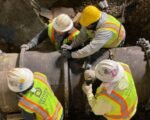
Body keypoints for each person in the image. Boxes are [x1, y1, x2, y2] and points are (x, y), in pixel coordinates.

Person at [61, 5, 126, 61]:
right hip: (102, 35)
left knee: (98, 58)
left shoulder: (105, 31)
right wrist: (72, 46)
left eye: (87, 25)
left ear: (94, 23)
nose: (85, 27)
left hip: (115, 40)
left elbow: (91, 49)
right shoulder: (91, 18)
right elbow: (82, 35)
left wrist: (72, 55)